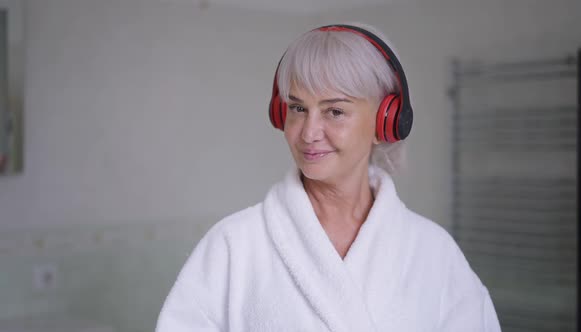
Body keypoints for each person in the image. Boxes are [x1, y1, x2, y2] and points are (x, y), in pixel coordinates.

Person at [156, 23, 501, 332]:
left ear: (386, 122)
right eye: (297, 108)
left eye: (335, 111)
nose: (309, 133)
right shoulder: (233, 246)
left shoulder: (434, 253)